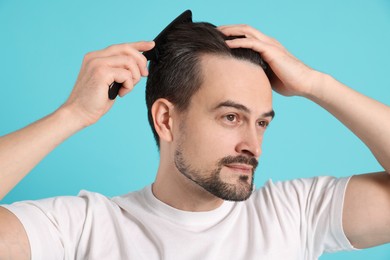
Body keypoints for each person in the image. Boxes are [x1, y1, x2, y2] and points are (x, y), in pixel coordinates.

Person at [0, 21, 389, 260]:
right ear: (166, 120)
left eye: (263, 123)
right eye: (231, 117)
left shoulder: (298, 215)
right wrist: (72, 115)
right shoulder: (81, 227)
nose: (252, 145)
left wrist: (316, 84)